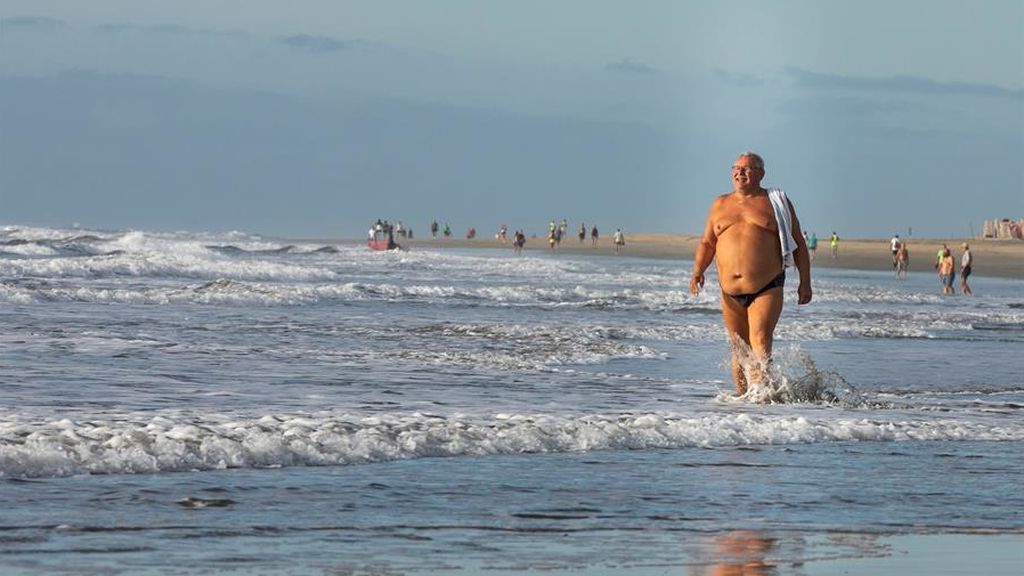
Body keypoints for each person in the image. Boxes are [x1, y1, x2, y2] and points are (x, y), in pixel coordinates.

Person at [690, 152, 812, 396]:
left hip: (767, 286)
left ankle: (762, 396)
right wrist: (697, 271)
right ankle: (742, 400)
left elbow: (798, 242)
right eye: (736, 168)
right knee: (738, 347)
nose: (740, 172)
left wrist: (805, 283)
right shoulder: (719, 204)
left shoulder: (775, 201)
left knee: (760, 340)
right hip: (729, 291)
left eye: (747, 168)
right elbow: (707, 242)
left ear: (761, 173)